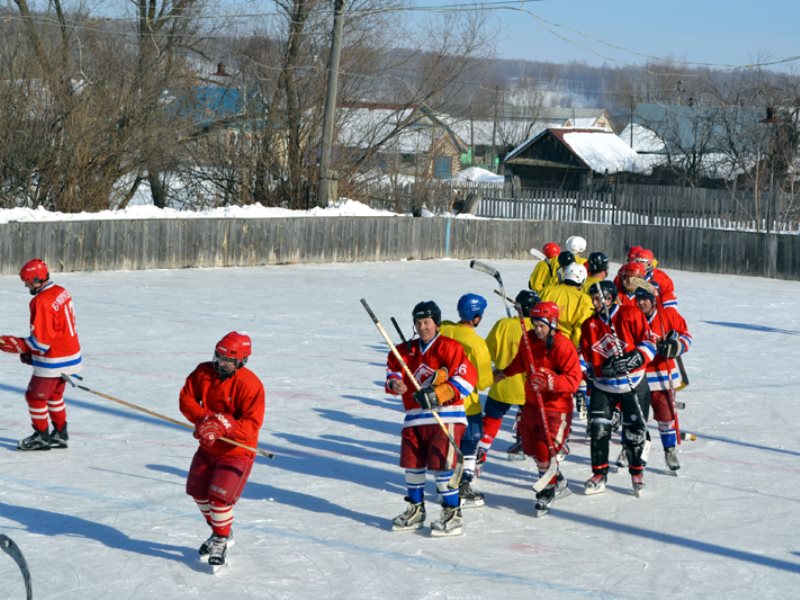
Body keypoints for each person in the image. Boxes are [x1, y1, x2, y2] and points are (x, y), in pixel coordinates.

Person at [386, 301, 477, 537]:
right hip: (415, 417)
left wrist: (438, 394)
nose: (422, 327)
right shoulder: (404, 351)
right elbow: (392, 371)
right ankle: (416, 510)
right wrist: (395, 384)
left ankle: (452, 512)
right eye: (418, 323)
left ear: (436, 323)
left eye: (427, 322)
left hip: (445, 416)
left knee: (442, 467)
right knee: (412, 465)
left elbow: (467, 380)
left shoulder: (451, 347)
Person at [179, 332, 265, 567]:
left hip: (237, 451)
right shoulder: (203, 372)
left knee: (218, 497)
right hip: (208, 447)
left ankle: (220, 537)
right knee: (197, 491)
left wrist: (222, 426)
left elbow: (251, 426)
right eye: (219, 357)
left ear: (242, 362)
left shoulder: (251, 385)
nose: (222, 363)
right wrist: (205, 420)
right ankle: (221, 529)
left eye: (229, 360)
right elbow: (186, 399)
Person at [494, 302, 582, 516]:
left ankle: (547, 490)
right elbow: (521, 362)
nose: (537, 329)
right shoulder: (529, 341)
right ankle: (556, 477)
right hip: (532, 404)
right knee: (531, 448)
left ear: (552, 324)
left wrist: (550, 382)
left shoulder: (562, 345)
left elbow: (574, 380)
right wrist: (504, 373)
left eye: (541, 325)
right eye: (534, 324)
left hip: (556, 407)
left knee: (545, 448)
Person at [580, 281, 656, 495]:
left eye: (598, 298)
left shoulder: (630, 314)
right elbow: (584, 357)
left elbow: (649, 342)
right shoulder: (589, 325)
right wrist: (593, 371)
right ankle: (599, 473)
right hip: (603, 386)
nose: (594, 303)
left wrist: (634, 359)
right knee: (598, 430)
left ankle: (637, 473)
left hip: (634, 382)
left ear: (610, 298)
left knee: (634, 432)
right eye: (592, 298)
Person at [0, 259, 82, 451]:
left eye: (27, 281)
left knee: (35, 397)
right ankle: (61, 434)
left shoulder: (41, 301)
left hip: (55, 360)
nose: (26, 284)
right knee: (54, 395)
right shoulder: (61, 290)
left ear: (37, 279)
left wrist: (18, 345)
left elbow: (41, 343)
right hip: (70, 354)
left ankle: (42, 437)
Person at [439, 294, 494, 507]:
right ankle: (463, 485)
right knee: (469, 444)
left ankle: (446, 480)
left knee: (448, 443)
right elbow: (483, 382)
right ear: (477, 318)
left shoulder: (444, 329)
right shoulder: (476, 343)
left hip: (443, 399)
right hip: (466, 403)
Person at [634, 285, 692, 473]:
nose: (641, 302)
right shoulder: (631, 316)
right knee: (635, 417)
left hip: (661, 375)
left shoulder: (668, 316)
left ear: (654, 300)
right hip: (638, 375)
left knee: (666, 416)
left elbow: (686, 336)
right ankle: (634, 449)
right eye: (638, 298)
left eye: (645, 298)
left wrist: (676, 346)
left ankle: (669, 450)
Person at [478, 290, 539, 466]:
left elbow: (487, 351)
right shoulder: (537, 327)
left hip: (502, 383)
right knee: (527, 416)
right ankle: (523, 443)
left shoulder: (503, 324)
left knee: (492, 417)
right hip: (528, 386)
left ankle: (482, 448)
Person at [540, 262, 595, 348]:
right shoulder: (584, 300)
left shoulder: (547, 291)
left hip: (542, 340)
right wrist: (573, 349)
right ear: (583, 280)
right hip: (565, 345)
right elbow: (579, 329)